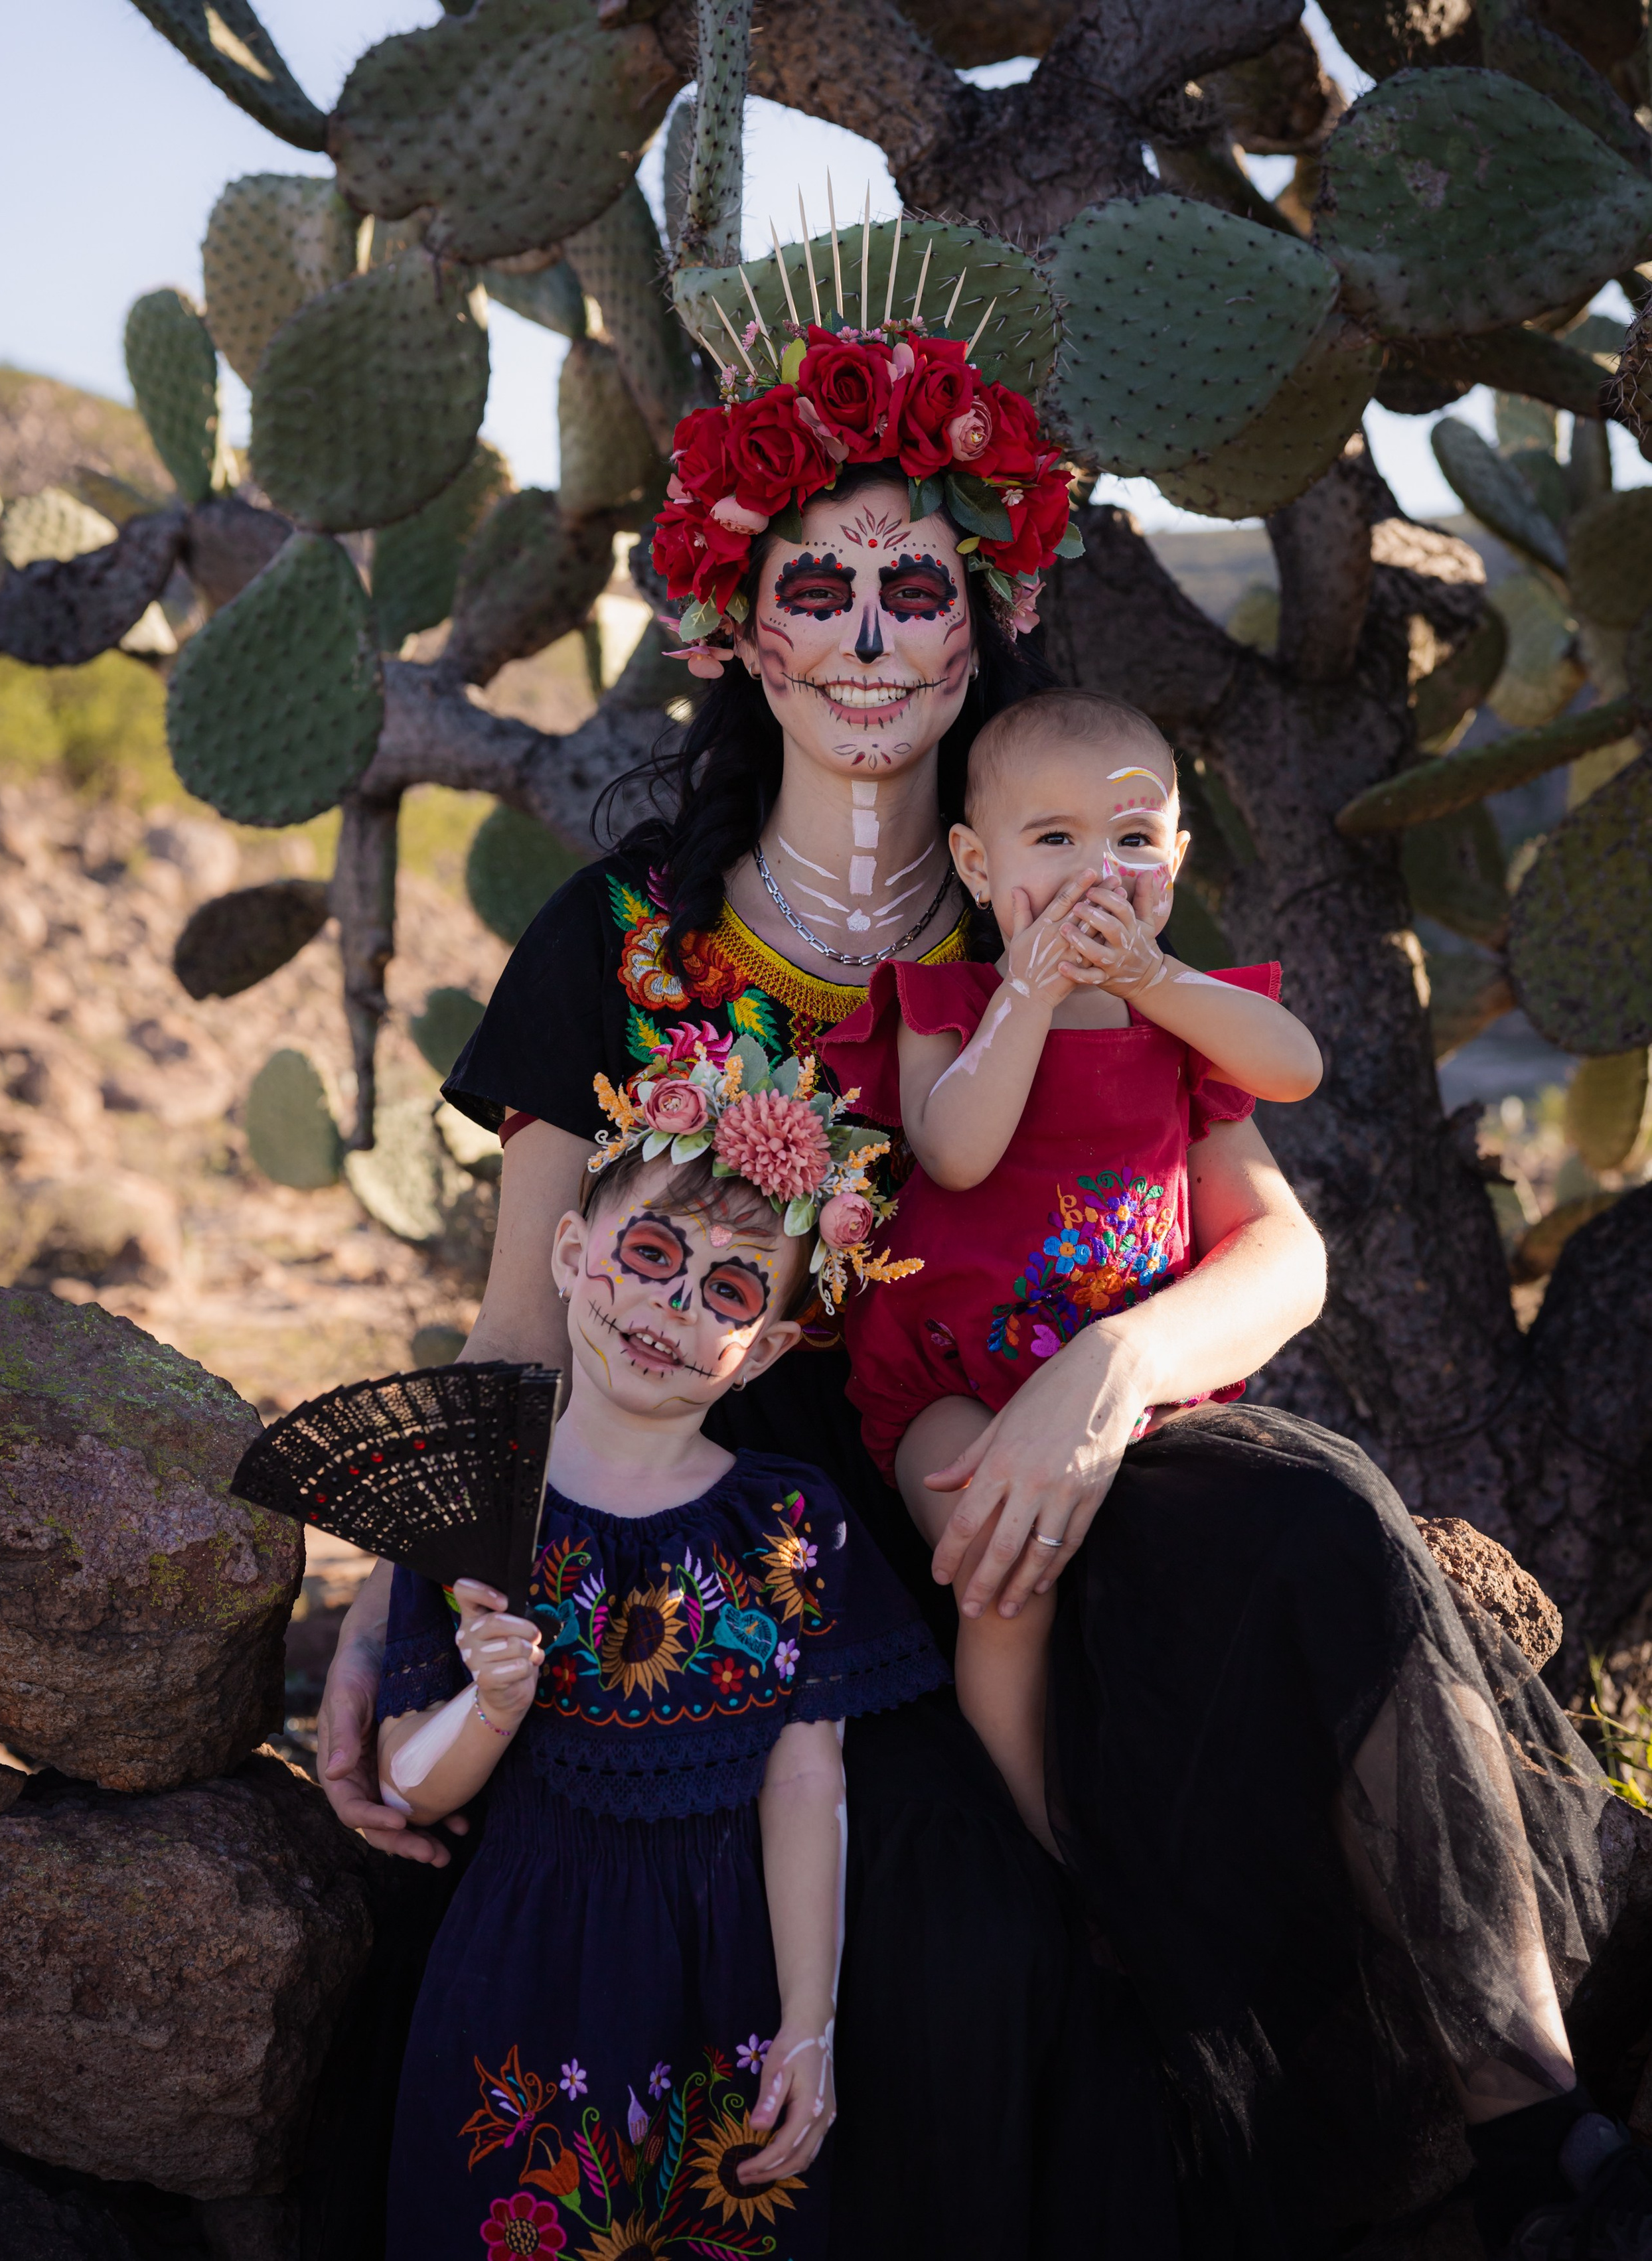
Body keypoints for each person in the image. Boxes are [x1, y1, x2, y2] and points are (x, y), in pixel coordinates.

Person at [315, 270, 1632, 2258]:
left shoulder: (1076, 880)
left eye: (912, 588)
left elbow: (1278, 1249)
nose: (864, 636)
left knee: (1313, 1530)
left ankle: (1534, 2164)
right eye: (817, 591)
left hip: (1069, 1469)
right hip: (752, 1546)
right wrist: (388, 1600)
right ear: (739, 629)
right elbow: (520, 1321)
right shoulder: (620, 939)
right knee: (962, 1938)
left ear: (983, 618)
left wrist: (1095, 1395)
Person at [376, 1062, 947, 2260]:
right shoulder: (481, 1502)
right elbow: (407, 1785)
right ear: (574, 1249)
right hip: (518, 1989)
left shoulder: (794, 1523)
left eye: (729, 1289)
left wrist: (809, 2021)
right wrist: (490, 1705)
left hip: (727, 1990)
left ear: (772, 1344)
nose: (673, 1305)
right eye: (650, 1256)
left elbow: (807, 1786)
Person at [819, 688, 1323, 1851]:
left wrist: (1156, 983)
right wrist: (1030, 995)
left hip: (1131, 1395)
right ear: (977, 865)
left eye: (1134, 840)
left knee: (1200, 1574)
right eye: (1055, 841)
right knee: (1002, 1573)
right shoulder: (947, 1004)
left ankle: (1175, 1809)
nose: (1101, 871)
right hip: (952, 1383)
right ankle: (1037, 1832)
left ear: (1178, 860)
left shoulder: (1184, 1025)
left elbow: (1294, 1068)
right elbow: (954, 1150)